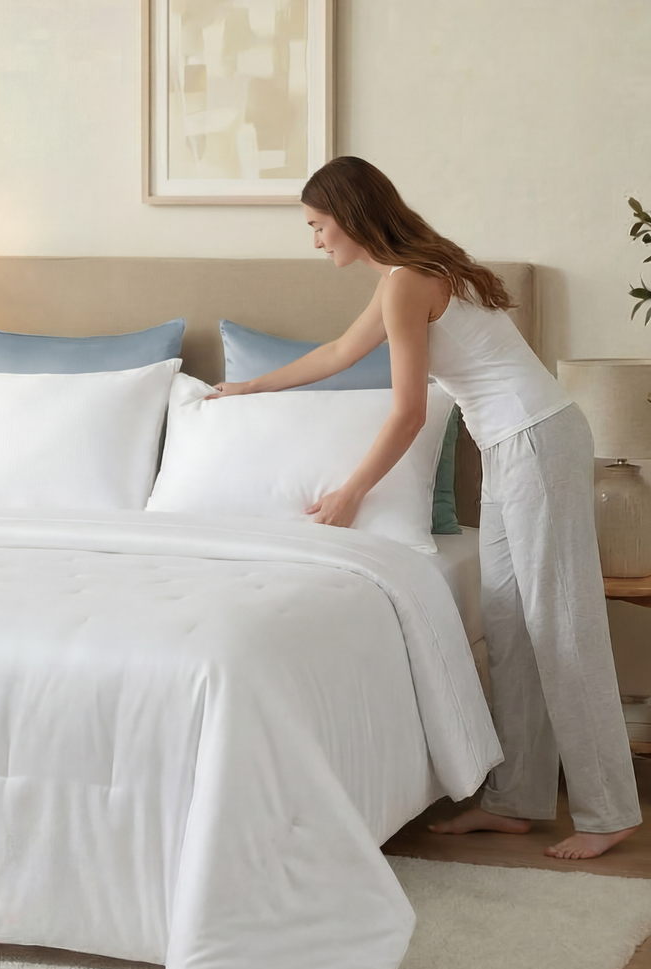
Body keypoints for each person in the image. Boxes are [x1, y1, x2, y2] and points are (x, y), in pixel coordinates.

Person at [208, 155, 641, 860]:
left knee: (561, 624)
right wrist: (250, 388)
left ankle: (609, 810)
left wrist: (351, 491)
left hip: (535, 442)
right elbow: (340, 351)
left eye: (318, 225)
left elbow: (409, 412)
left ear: (351, 217)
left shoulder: (409, 281)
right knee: (508, 624)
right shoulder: (405, 274)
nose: (315, 240)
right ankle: (515, 799)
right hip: (511, 445)